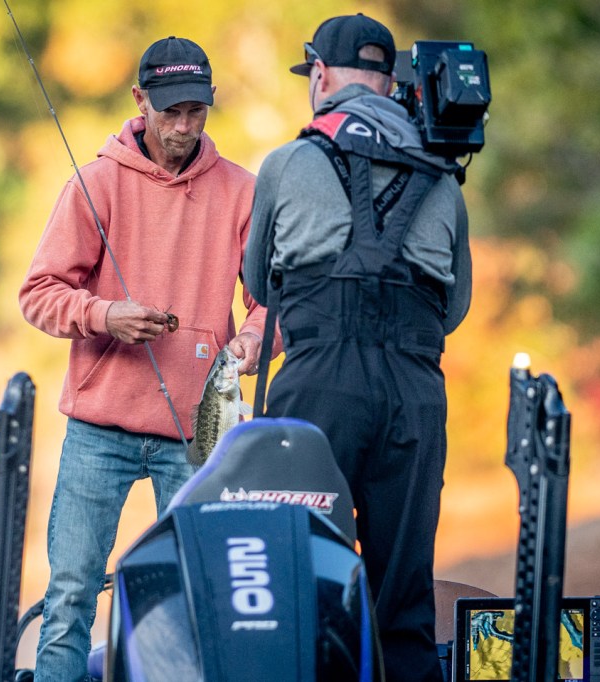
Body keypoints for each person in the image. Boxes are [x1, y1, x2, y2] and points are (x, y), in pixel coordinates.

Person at [19, 36, 266, 682]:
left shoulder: (242, 192)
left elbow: (274, 300)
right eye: (170, 111)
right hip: (98, 432)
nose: (183, 127)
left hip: (197, 434)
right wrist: (105, 316)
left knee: (192, 596)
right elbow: (38, 294)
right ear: (140, 101)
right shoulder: (95, 183)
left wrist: (253, 338)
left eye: (196, 112)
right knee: (70, 594)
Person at [244, 13, 471, 682]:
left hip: (318, 386)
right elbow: (455, 308)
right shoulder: (445, 177)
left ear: (319, 75)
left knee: (300, 580)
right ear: (391, 83)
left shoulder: (288, 162)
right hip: (414, 392)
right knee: (403, 596)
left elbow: (259, 284)